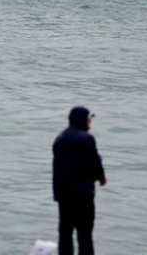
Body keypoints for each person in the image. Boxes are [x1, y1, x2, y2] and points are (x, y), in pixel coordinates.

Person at [52, 106, 106, 255]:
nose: (90, 122)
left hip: (64, 195)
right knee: (84, 233)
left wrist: (57, 194)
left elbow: (57, 169)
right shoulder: (86, 138)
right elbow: (95, 162)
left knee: (65, 232)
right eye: (89, 119)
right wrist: (102, 178)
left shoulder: (60, 139)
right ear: (83, 120)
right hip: (83, 195)